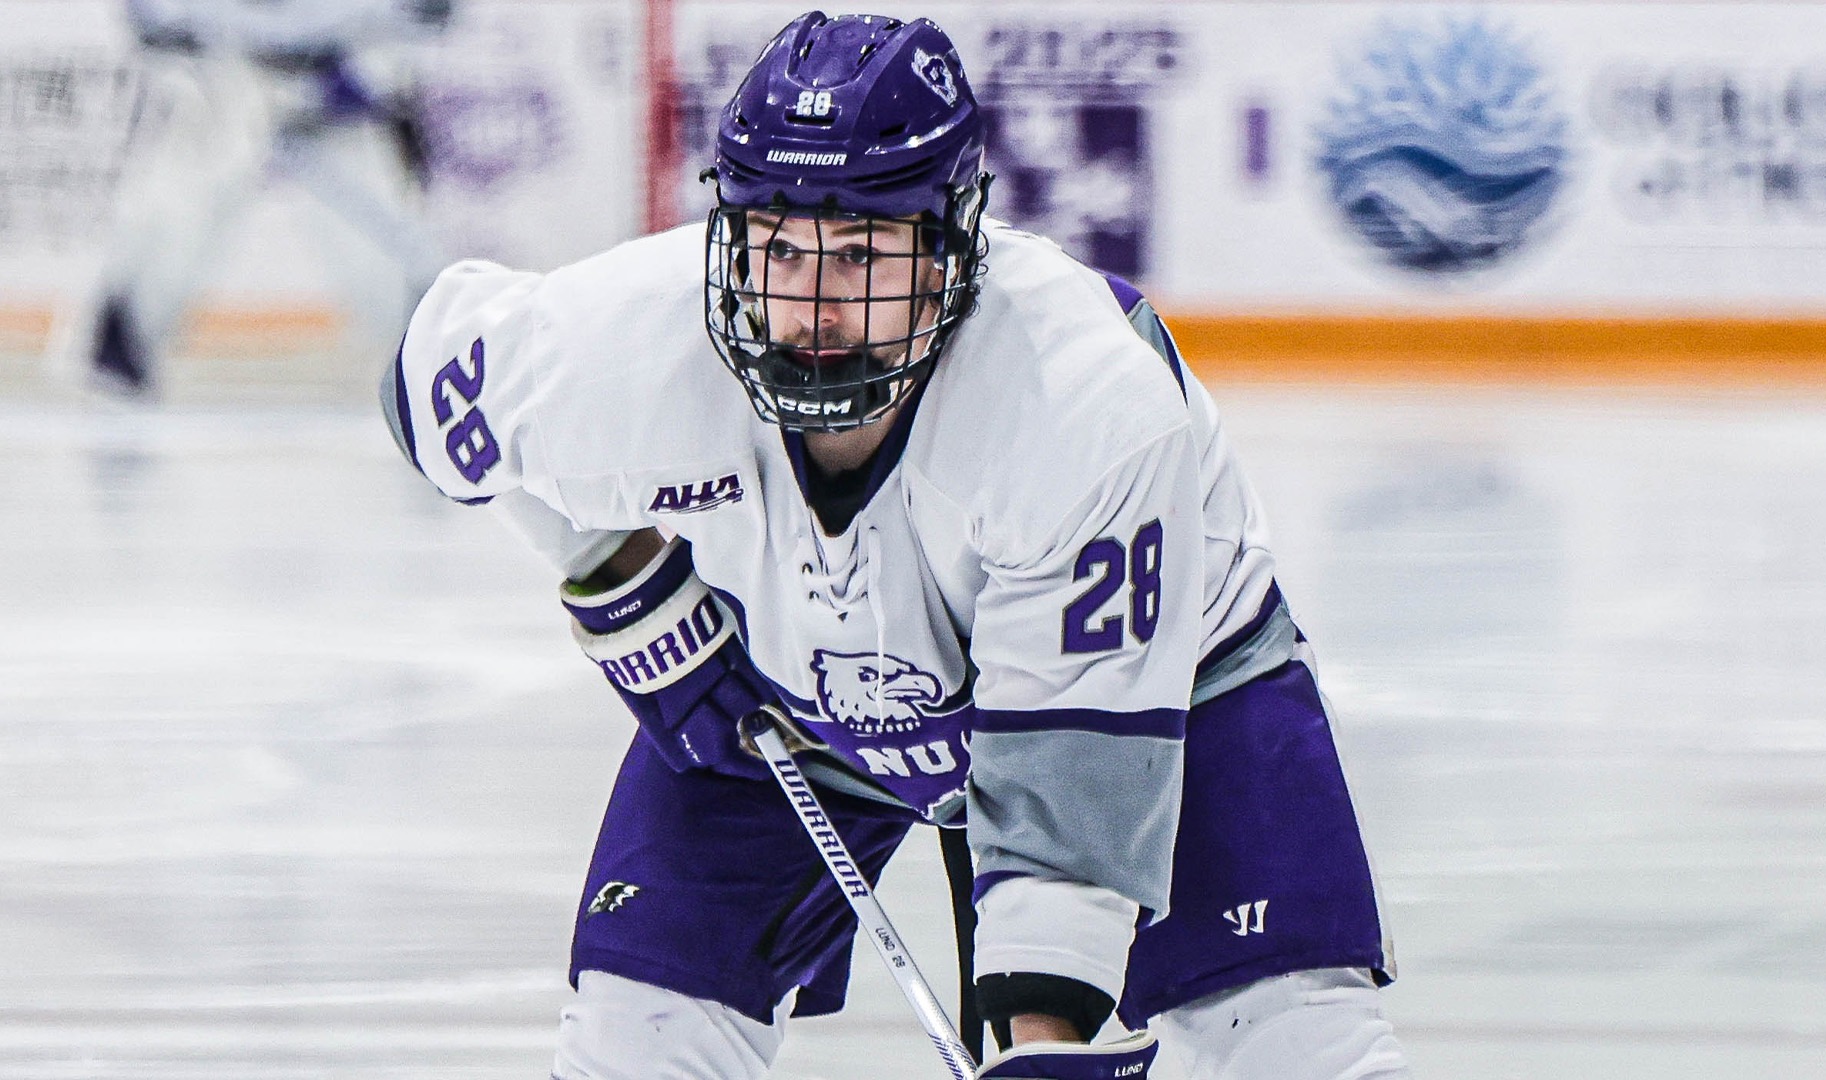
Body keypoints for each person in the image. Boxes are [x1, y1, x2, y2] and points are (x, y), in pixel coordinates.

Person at [382, 11, 1411, 1079]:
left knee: (1287, 1045)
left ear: (950, 247)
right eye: (779, 248)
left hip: (1171, 692)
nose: (812, 305)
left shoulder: (1080, 398)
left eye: (861, 253)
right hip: (786, 692)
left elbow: (1073, 755)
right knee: (638, 1035)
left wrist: (1040, 1039)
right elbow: (427, 384)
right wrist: (622, 579)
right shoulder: (629, 340)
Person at [52, 0, 451, 396]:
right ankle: (118, 346)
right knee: (180, 213)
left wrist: (371, 73)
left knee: (377, 249)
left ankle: (436, 360)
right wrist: (197, 58)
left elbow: (429, 13)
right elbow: (152, 19)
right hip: (228, 76)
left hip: (336, 75)